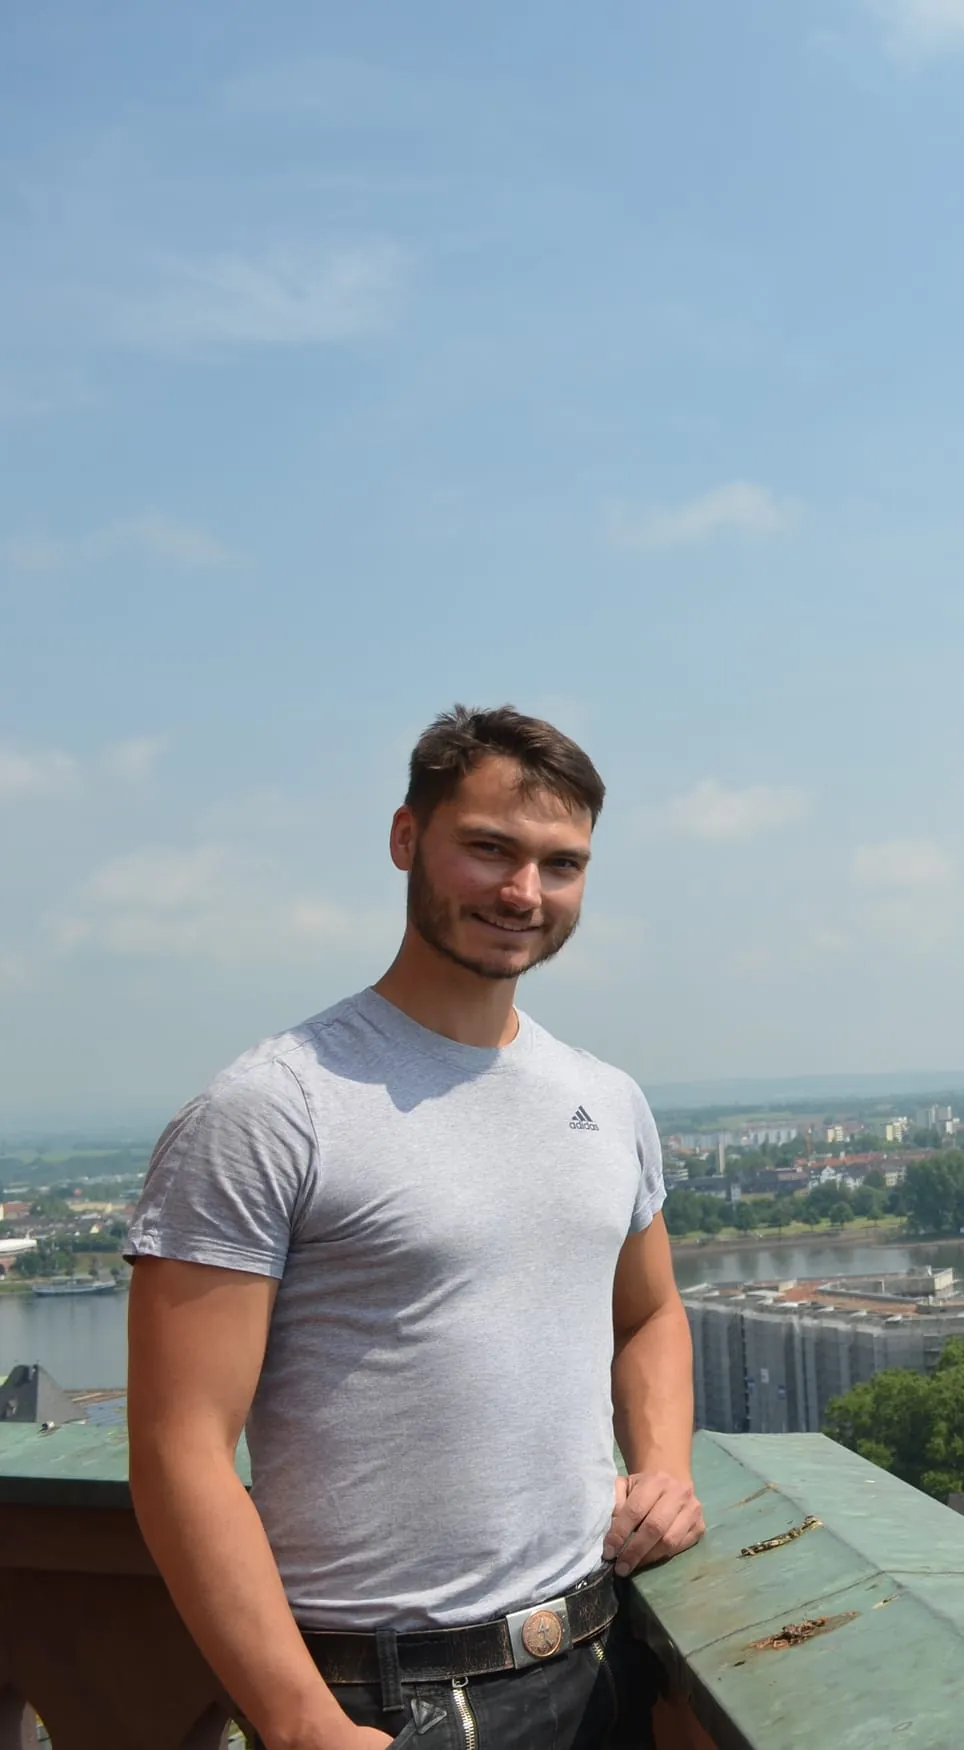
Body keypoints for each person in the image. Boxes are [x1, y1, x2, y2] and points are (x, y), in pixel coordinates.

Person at [126, 706, 704, 1749]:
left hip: (601, 1660)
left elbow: (649, 1312)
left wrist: (663, 1466)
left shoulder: (606, 1099)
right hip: (381, 1701)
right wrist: (302, 1723)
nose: (524, 892)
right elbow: (179, 1450)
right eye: (489, 849)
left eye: (560, 864)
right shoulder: (274, 1107)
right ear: (406, 841)